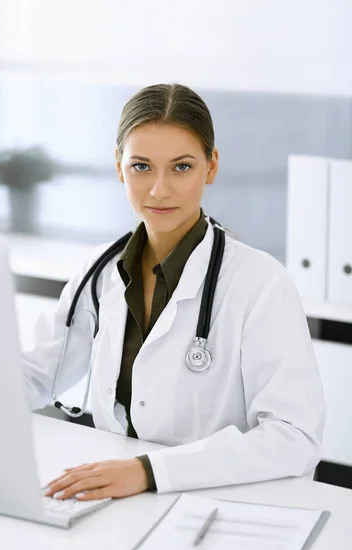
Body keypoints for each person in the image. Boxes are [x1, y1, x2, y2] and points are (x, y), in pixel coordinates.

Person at [22, 83, 325, 502]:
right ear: (118, 166)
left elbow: (295, 436)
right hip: (114, 498)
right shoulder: (99, 272)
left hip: (217, 506)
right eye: (141, 166)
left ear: (211, 165)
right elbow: (36, 373)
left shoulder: (261, 283)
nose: (159, 190)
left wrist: (149, 472)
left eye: (181, 167)